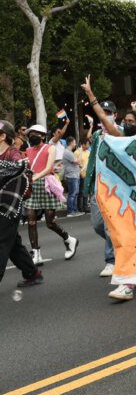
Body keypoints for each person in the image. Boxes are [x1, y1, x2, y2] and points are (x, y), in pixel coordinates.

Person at [82, 75, 136, 301]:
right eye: (126, 120)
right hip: (121, 195)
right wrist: (90, 94)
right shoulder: (120, 137)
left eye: (131, 121)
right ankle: (132, 278)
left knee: (132, 238)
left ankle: (129, 282)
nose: (126, 123)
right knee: (123, 236)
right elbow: (103, 117)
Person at [23, 123, 78, 265]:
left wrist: (34, 177)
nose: (32, 136)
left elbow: (48, 169)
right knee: (31, 220)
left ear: (42, 136)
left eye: (35, 134)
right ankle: (36, 253)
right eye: (30, 134)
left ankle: (69, 239)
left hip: (47, 185)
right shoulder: (28, 150)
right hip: (33, 187)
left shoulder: (50, 148)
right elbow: (27, 167)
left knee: (50, 222)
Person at [0, 120, 43, 287]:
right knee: (13, 245)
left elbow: (21, 167)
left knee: (2, 242)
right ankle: (32, 273)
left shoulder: (13, 154)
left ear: (3, 136)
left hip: (9, 207)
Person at [83, 99, 119, 279]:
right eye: (103, 112)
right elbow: (92, 160)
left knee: (108, 226)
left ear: (115, 115)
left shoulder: (120, 132)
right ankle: (120, 243)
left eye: (109, 113)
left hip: (115, 186)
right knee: (98, 225)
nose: (105, 116)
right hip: (97, 184)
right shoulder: (97, 135)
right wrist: (89, 185)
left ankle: (111, 261)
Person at [62, 136, 82, 216]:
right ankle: (70, 212)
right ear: (71, 143)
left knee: (75, 194)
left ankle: (75, 210)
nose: (75, 144)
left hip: (75, 175)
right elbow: (77, 161)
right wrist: (80, 151)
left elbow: (76, 163)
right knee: (72, 194)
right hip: (71, 175)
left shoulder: (70, 152)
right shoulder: (67, 152)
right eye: (74, 142)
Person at [77, 136, 91, 213]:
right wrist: (80, 173)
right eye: (87, 144)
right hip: (80, 175)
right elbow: (75, 163)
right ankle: (80, 207)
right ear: (83, 144)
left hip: (87, 175)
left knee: (86, 191)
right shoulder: (77, 152)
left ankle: (85, 206)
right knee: (81, 192)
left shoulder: (88, 152)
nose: (89, 145)